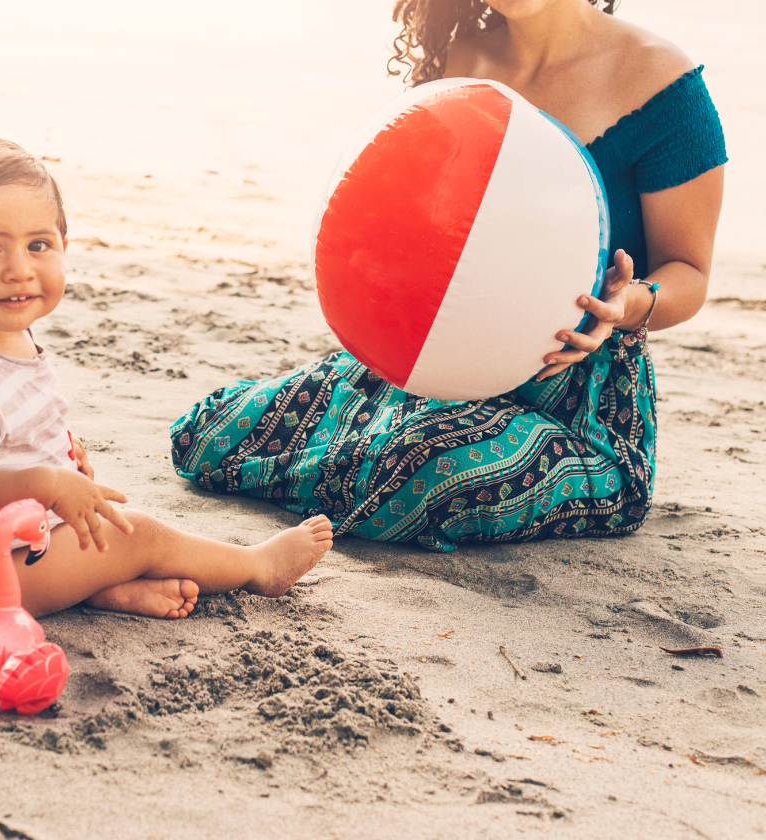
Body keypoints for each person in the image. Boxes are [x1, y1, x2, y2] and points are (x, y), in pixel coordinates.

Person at [171, 0, 726, 551]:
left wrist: (627, 304)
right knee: (213, 434)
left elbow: (690, 272)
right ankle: (354, 470)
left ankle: (359, 475)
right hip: (436, 366)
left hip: (576, 397)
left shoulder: (661, 81)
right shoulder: (460, 57)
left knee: (418, 473)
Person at [0, 137, 333, 618]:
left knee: (101, 536)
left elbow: (7, 423)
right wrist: (47, 482)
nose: (19, 270)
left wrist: (55, 448)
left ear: (63, 246)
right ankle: (257, 567)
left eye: (37, 245)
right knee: (136, 534)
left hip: (24, 541)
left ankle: (101, 591)